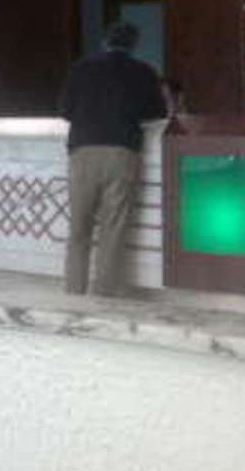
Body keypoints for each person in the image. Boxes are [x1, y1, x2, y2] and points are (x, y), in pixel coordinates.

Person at [58, 22, 167, 297]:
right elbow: (157, 113)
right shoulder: (144, 71)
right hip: (122, 151)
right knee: (113, 226)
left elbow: (65, 110)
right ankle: (105, 290)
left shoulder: (80, 68)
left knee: (79, 224)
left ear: (105, 42)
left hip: (83, 151)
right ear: (134, 45)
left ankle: (74, 288)